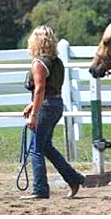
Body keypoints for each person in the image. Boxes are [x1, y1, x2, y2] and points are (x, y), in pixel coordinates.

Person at [21, 25, 85, 199]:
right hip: (56, 104)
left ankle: (40, 189)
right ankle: (74, 178)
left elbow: (41, 89)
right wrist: (33, 104)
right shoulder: (57, 62)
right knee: (45, 146)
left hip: (46, 107)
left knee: (35, 149)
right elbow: (50, 88)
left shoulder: (39, 64)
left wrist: (34, 113)